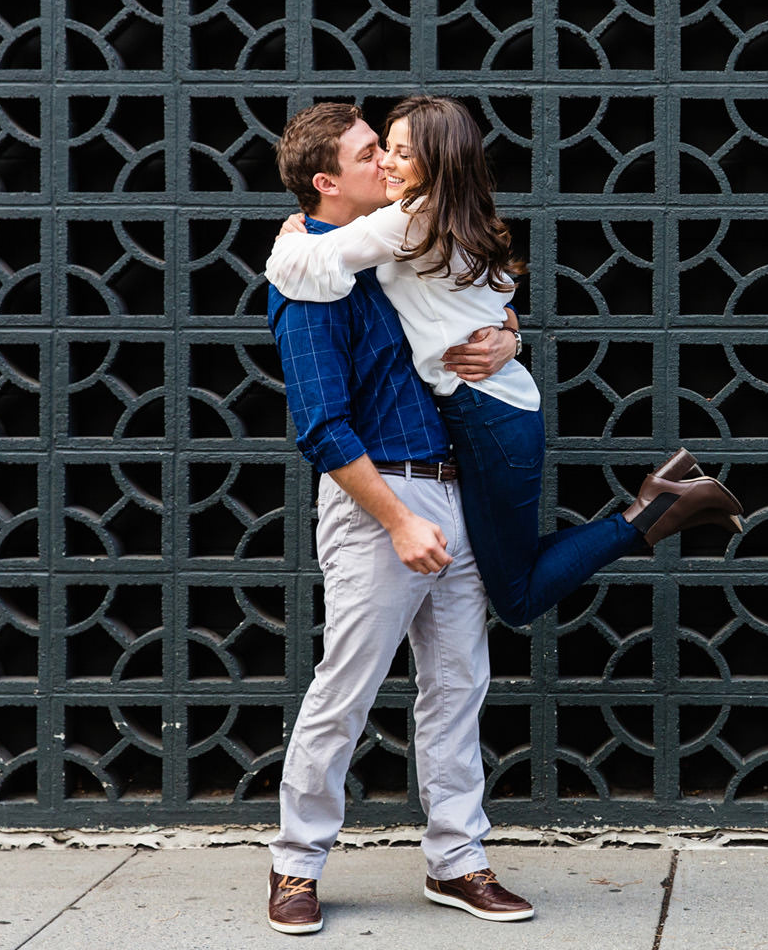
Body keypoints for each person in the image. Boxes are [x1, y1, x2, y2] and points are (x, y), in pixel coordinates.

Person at [265, 95, 744, 630]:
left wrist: (289, 241)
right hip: (492, 410)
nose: (385, 162)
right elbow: (489, 301)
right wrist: (509, 334)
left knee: (514, 596)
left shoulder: (406, 220)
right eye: (380, 150)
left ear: (434, 162)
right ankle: (661, 501)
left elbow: (312, 261)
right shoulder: (442, 213)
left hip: (485, 414)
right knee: (507, 566)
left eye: (397, 152)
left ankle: (653, 513)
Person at [265, 102, 534, 934]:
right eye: (368, 152)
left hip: (452, 486)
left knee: (458, 686)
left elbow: (466, 312)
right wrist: (396, 521)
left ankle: (459, 861)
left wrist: (509, 336)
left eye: (388, 149)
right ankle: (295, 866)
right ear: (325, 181)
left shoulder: (402, 238)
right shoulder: (310, 279)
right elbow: (319, 425)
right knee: (345, 689)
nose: (386, 161)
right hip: (378, 498)